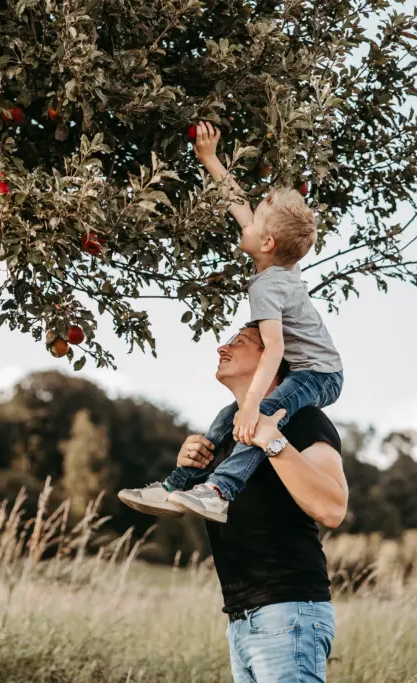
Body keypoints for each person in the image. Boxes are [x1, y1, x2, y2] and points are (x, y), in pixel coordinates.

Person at [118, 121, 343, 523]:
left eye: (254, 221)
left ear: (267, 244)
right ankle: (174, 487)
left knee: (260, 413)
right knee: (228, 416)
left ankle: (220, 490)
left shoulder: (268, 286)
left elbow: (274, 347)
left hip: (319, 374)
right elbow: (236, 200)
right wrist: (209, 158)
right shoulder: (271, 263)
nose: (246, 221)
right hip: (305, 369)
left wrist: (253, 404)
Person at [174, 323, 348, 682]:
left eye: (240, 342)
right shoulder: (225, 433)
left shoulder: (303, 420)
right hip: (240, 620)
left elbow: (333, 507)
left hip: (288, 613)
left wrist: (273, 440)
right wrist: (185, 470)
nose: (223, 347)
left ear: (272, 358)